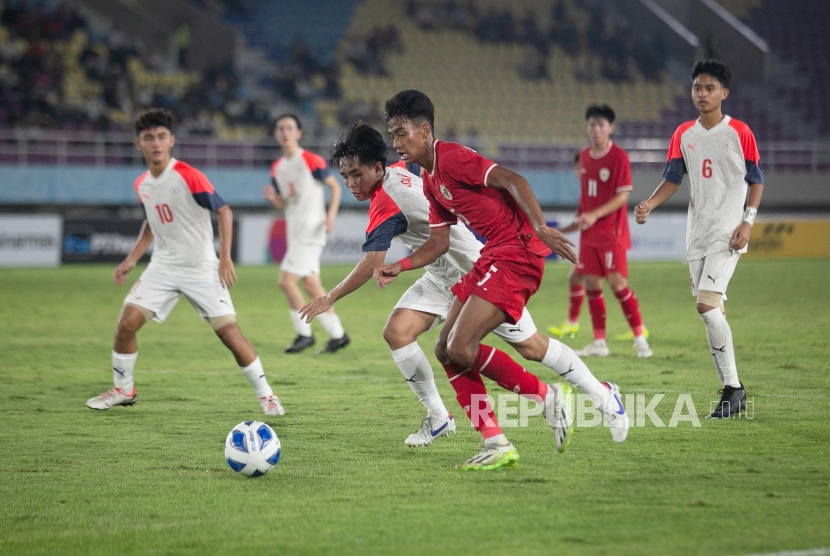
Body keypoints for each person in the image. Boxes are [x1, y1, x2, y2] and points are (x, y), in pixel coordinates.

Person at [300, 122, 625, 452]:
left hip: (476, 270)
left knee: (530, 346)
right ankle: (440, 417)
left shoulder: (386, 203)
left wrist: (329, 297)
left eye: (357, 174)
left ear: (377, 168)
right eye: (345, 177)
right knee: (398, 332)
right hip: (440, 275)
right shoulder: (398, 171)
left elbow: (372, 263)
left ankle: (599, 394)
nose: (352, 184)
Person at [374, 91, 629, 470]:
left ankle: (549, 398)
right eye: (392, 135)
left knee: (465, 345)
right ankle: (497, 441)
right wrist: (404, 264)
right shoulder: (429, 180)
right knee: (447, 349)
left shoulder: (454, 157)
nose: (396, 143)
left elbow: (513, 179)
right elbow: (439, 241)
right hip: (493, 255)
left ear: (425, 131)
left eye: (402, 133)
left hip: (518, 253)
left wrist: (541, 228)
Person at [86, 109, 284, 415]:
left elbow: (225, 212)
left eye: (162, 137)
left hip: (201, 268)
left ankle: (266, 395)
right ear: (138, 143)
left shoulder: (189, 176)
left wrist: (224, 259)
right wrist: (130, 261)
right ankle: (124, 390)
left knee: (231, 335)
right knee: (125, 325)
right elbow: (152, 225)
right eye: (149, 138)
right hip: (162, 268)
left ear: (171, 141)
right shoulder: (142, 184)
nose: (156, 143)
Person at [635, 60, 764, 418]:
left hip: (728, 232)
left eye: (709, 88)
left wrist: (747, 223)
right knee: (713, 310)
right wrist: (649, 203)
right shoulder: (683, 135)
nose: (702, 94)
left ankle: (734, 387)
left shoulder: (740, 132)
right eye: (697, 88)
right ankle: (731, 392)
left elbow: (756, 180)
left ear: (724, 92)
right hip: (697, 234)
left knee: (706, 306)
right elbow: (673, 178)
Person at [549, 105, 652, 358]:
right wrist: (573, 225)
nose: (596, 130)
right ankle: (599, 343)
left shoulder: (618, 157)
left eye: (601, 125)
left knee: (617, 284)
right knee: (592, 284)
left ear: (611, 128)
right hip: (589, 236)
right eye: (592, 125)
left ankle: (640, 340)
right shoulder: (583, 157)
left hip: (611, 232)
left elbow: (623, 196)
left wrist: (595, 214)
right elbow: (586, 200)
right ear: (586, 127)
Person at [263, 114, 350, 354]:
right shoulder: (277, 167)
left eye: (290, 128)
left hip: (311, 230)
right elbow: (283, 204)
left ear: (298, 133)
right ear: (276, 134)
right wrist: (273, 200)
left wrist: (330, 216)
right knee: (312, 285)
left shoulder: (309, 160)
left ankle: (304, 334)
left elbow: (334, 186)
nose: (285, 132)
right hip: (296, 232)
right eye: (281, 128)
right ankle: (338, 335)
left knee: (286, 280)